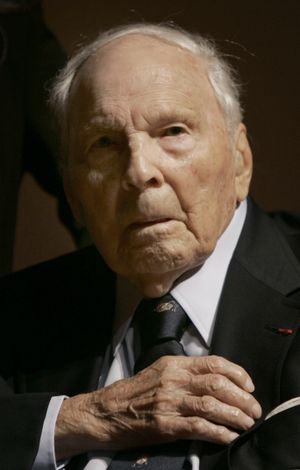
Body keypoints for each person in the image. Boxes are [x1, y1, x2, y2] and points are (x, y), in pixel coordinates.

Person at [0, 22, 299, 470]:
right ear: (74, 195)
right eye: (104, 143)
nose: (140, 171)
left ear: (240, 160)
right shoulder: (13, 317)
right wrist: (79, 418)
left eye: (173, 131)